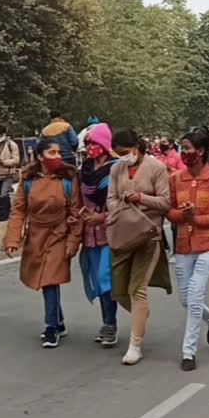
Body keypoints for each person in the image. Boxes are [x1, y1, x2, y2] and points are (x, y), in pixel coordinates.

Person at [4, 139, 82, 348]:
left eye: (59, 152)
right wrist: (12, 238)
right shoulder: (28, 179)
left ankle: (51, 327)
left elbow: (76, 212)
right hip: (36, 235)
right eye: (52, 153)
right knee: (46, 279)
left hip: (59, 234)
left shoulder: (68, 178)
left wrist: (73, 240)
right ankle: (59, 320)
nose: (57, 156)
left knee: (49, 279)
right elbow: (19, 210)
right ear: (40, 156)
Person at [168, 130, 209, 371]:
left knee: (195, 294)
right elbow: (170, 212)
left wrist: (197, 219)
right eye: (182, 148)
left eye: (187, 148)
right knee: (185, 299)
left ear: (201, 150)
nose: (184, 153)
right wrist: (182, 215)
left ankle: (188, 352)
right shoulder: (175, 179)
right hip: (184, 246)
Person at [107, 130, 172, 365]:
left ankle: (135, 344)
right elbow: (111, 198)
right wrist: (121, 207)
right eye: (119, 153)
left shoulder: (157, 168)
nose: (122, 157)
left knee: (138, 289)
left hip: (148, 235)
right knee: (119, 290)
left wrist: (140, 198)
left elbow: (165, 202)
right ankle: (140, 314)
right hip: (123, 233)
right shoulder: (116, 169)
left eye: (125, 152)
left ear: (136, 147)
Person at [78, 123, 119, 347]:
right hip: (89, 232)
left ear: (103, 144)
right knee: (96, 278)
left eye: (93, 143)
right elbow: (80, 198)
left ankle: (110, 324)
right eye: (87, 144)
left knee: (105, 278)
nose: (89, 148)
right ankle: (106, 322)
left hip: (110, 230)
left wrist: (101, 217)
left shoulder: (117, 169)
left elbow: (121, 202)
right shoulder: (84, 169)